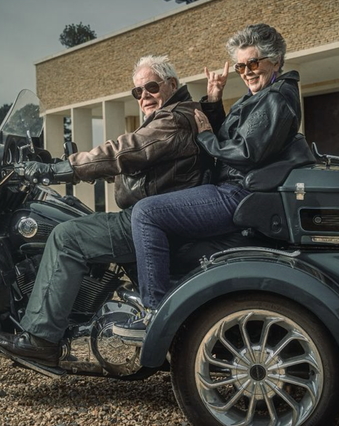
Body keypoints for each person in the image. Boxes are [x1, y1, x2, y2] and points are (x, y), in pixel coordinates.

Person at [0, 55, 211, 368]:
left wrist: (60, 170)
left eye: (151, 87)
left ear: (172, 85)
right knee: (76, 219)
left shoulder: (173, 119)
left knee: (67, 236)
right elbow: (143, 166)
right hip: (159, 216)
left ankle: (40, 339)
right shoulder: (176, 115)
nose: (145, 96)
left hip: (149, 221)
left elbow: (123, 150)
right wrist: (81, 168)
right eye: (138, 92)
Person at [113, 23, 315, 340]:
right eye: (240, 65)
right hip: (234, 187)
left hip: (236, 192)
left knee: (147, 213)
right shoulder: (264, 95)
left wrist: (205, 136)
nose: (246, 72)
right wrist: (214, 101)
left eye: (253, 63)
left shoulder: (277, 98)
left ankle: (155, 313)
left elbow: (245, 151)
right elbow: (239, 138)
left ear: (275, 61)